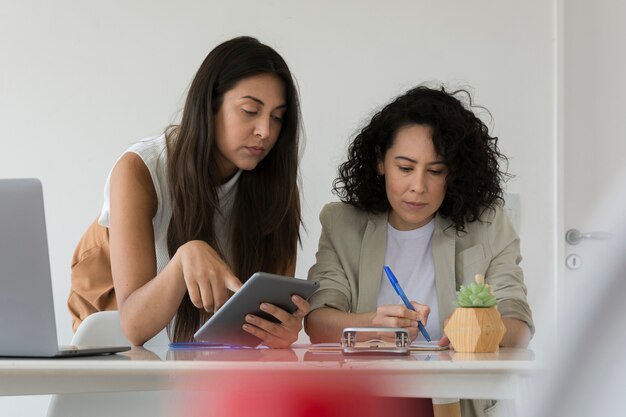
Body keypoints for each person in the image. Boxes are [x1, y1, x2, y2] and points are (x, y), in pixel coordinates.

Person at [305, 85, 534, 417]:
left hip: (453, 402)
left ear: (453, 173)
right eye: (405, 167)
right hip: (364, 399)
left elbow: (519, 323)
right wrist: (372, 325)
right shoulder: (342, 224)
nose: (418, 186)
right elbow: (317, 322)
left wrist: (481, 328)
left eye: (436, 171)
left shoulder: (489, 224)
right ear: (380, 161)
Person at [68, 36, 309, 348]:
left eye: (277, 117)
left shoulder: (276, 185)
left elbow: (258, 320)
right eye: (250, 110)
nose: (265, 130)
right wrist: (184, 259)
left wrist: (280, 331)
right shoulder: (140, 170)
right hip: (116, 348)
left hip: (202, 360)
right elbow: (133, 326)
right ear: (209, 106)